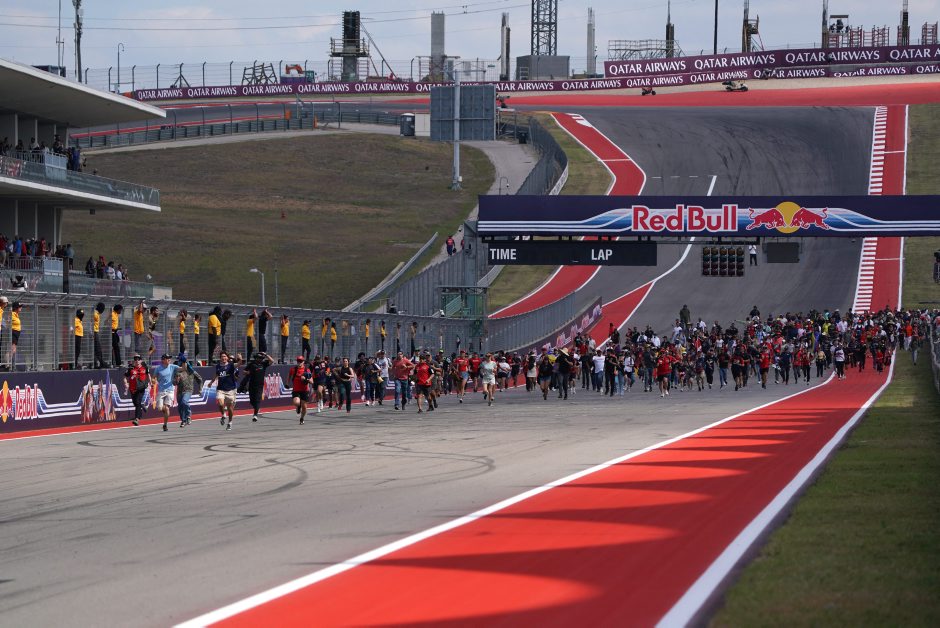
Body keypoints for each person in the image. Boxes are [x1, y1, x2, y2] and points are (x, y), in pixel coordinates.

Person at [209, 350, 238, 430]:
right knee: (221, 403)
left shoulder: (231, 365)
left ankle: (230, 422)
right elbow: (216, 375)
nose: (223, 358)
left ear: (227, 357)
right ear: (220, 358)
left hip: (230, 390)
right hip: (221, 389)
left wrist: (240, 359)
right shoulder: (218, 366)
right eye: (222, 357)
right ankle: (223, 415)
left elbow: (239, 364)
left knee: (230, 408)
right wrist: (211, 382)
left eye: (225, 356)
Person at [152, 353, 180, 432]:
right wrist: (153, 381)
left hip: (170, 390)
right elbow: (153, 378)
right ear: (163, 360)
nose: (169, 359)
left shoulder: (173, 367)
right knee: (160, 408)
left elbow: (183, 368)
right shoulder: (158, 368)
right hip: (161, 391)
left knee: (167, 408)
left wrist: (184, 361)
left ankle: (165, 424)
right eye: (167, 358)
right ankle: (163, 408)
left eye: (169, 358)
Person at [173, 353, 201, 427]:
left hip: (188, 390)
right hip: (179, 391)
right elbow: (174, 383)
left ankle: (188, 415)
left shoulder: (191, 371)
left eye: (184, 363)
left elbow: (199, 379)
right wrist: (176, 380)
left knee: (184, 402)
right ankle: (183, 420)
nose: (182, 364)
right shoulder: (177, 371)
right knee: (180, 407)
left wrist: (200, 389)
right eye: (181, 363)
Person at [243, 351, 273, 421]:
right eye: (258, 358)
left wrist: (266, 354)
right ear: (256, 358)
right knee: (252, 401)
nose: (259, 359)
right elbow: (244, 371)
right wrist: (247, 372)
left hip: (260, 385)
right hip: (252, 384)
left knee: (257, 400)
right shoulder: (251, 364)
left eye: (261, 358)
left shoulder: (264, 364)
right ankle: (256, 408)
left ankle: (255, 415)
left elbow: (272, 361)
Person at [124, 354, 149, 426]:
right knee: (135, 403)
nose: (137, 361)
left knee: (137, 403)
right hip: (133, 388)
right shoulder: (131, 368)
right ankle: (142, 405)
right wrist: (126, 383)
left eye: (138, 359)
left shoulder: (144, 367)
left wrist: (151, 382)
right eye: (135, 359)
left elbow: (148, 375)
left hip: (141, 388)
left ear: (141, 360)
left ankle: (137, 419)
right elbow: (125, 376)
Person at [288, 356, 312, 424]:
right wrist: (287, 383)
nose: (299, 362)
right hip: (296, 390)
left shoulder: (307, 370)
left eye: (301, 361)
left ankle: (302, 418)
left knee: (304, 407)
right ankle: (298, 406)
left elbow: (312, 381)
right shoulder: (293, 369)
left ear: (303, 362)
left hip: (305, 390)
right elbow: (289, 376)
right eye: (298, 361)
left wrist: (305, 379)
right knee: (296, 402)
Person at [91, 302, 106, 369]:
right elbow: (90, 323)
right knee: (97, 348)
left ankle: (99, 362)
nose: (103, 310)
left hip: (96, 332)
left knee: (97, 348)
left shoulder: (97, 314)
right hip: (94, 332)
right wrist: (92, 333)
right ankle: (99, 363)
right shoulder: (95, 314)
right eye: (103, 309)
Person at [9, 301, 22, 369]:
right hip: (13, 332)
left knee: (14, 349)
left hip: (16, 333)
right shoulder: (12, 314)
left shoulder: (16, 314)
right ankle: (8, 365)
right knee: (12, 349)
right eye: (19, 307)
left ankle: (10, 364)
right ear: (16, 308)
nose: (21, 308)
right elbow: (8, 321)